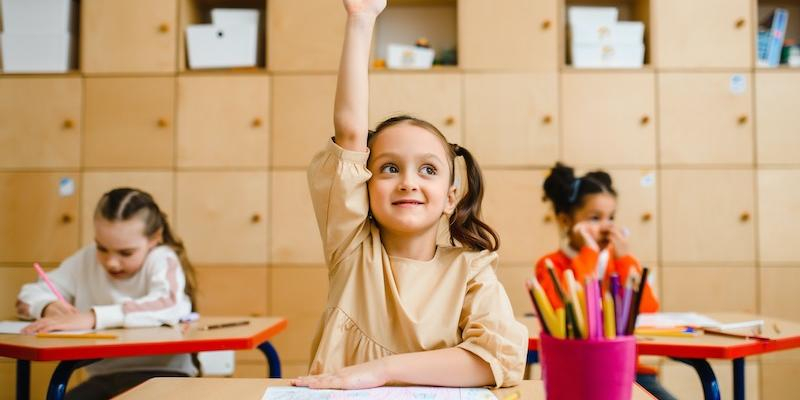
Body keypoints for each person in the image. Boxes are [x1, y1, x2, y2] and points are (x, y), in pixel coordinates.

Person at [291, 0, 527, 390]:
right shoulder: (351, 247)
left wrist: (383, 370)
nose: (408, 182)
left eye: (428, 170)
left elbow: (497, 360)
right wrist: (361, 18)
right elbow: (349, 132)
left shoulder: (471, 270)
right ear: (364, 186)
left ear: (450, 197)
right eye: (389, 168)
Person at [16, 188, 197, 400]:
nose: (111, 262)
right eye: (102, 248)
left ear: (155, 238)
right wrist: (46, 307)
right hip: (105, 378)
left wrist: (92, 317)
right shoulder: (86, 259)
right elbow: (25, 298)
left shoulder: (162, 259)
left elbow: (168, 303)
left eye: (126, 253)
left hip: (165, 376)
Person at [535, 162, 676, 400]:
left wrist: (624, 260)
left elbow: (647, 311)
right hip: (576, 372)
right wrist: (588, 254)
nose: (606, 226)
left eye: (611, 217)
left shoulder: (619, 261)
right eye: (594, 218)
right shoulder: (550, 264)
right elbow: (566, 310)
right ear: (566, 220)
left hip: (627, 372)